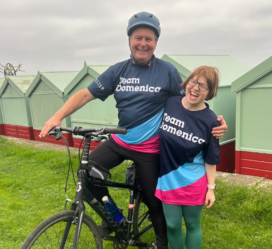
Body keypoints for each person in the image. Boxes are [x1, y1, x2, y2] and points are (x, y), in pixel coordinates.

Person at [40, 12, 227, 249]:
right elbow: (86, 94)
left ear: (156, 42)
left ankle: (161, 243)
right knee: (87, 172)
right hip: (121, 141)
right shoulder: (118, 71)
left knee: (154, 201)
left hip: (150, 148)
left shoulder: (167, 71)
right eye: (138, 37)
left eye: (149, 38)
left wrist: (213, 121)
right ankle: (114, 217)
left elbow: (191, 100)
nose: (143, 43)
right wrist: (58, 116)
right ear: (129, 40)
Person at [155, 66, 221, 249]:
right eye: (193, 81)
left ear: (209, 93)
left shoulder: (211, 121)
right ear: (186, 82)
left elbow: (211, 158)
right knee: (172, 225)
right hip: (168, 179)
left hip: (194, 182)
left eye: (203, 86)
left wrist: (211, 189)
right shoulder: (169, 103)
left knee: (192, 225)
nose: (196, 88)